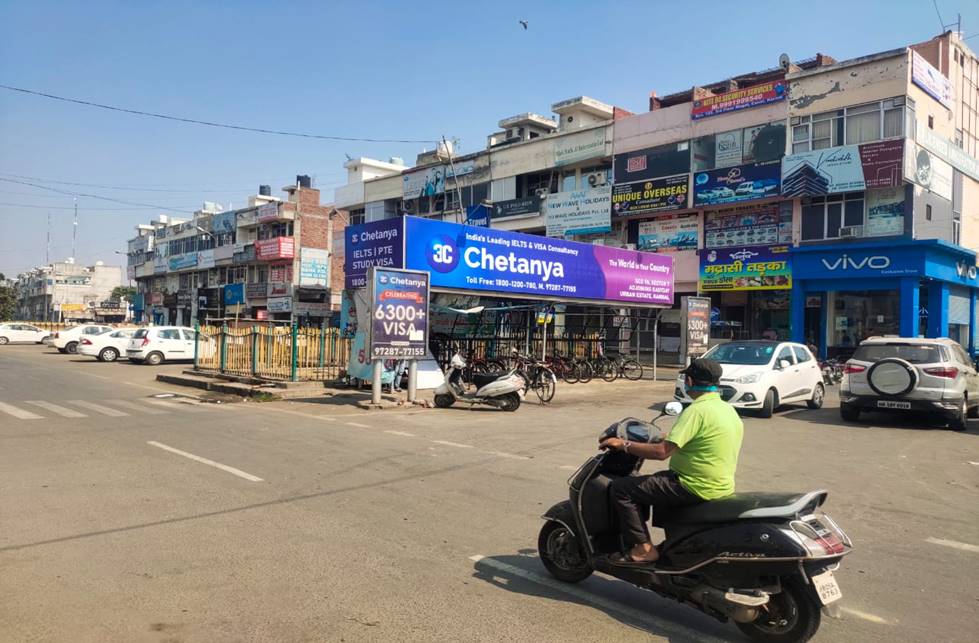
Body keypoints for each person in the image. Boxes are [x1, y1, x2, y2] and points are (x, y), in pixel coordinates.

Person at [599, 358, 744, 565]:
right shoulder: (726, 409)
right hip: (720, 484)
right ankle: (673, 542)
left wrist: (623, 444)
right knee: (654, 481)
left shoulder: (696, 411)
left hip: (693, 485)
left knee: (622, 488)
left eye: (686, 379)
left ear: (690, 381)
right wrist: (663, 436)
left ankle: (643, 549)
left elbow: (661, 453)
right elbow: (699, 438)